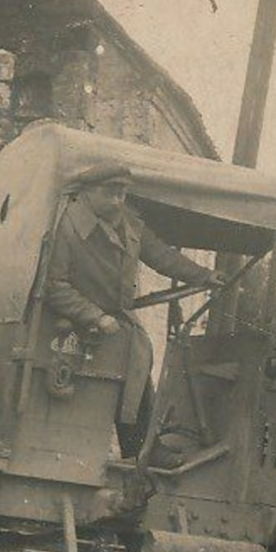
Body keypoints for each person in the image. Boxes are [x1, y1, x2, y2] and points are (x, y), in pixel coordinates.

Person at [44, 160, 222, 459]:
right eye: (110, 192)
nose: (117, 201)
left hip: (116, 322)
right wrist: (95, 316)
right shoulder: (68, 227)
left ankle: (141, 448)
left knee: (140, 360)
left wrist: (203, 275)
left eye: (122, 194)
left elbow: (161, 255)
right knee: (132, 361)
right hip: (80, 324)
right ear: (87, 192)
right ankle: (141, 448)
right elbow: (55, 286)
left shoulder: (129, 224)